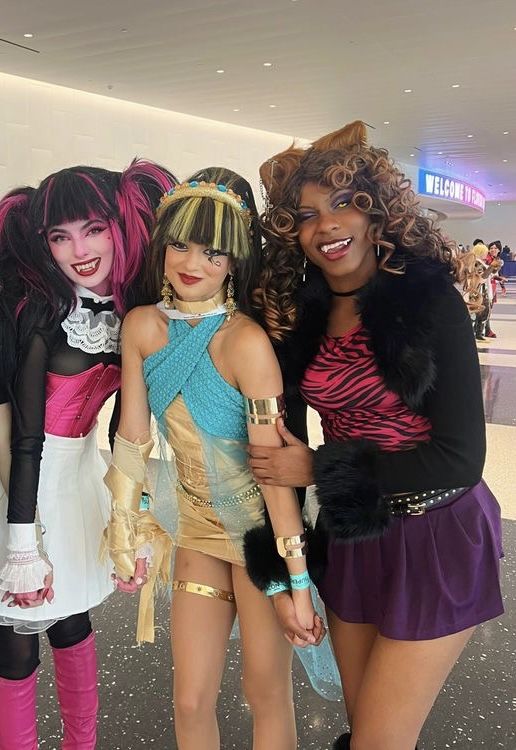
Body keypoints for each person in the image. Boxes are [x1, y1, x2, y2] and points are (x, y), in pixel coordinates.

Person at [249, 121, 504, 750]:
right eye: (307, 215)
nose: (327, 226)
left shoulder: (427, 299)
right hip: (354, 538)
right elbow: (278, 444)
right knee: (363, 730)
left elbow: (462, 457)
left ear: (375, 213)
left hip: (436, 530)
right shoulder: (300, 313)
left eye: (343, 205)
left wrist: (320, 470)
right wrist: (290, 569)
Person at [103, 167, 325, 750]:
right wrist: (123, 525)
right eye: (179, 243)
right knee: (189, 697)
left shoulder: (246, 341)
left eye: (212, 250)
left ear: (234, 261)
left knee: (265, 692)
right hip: (197, 528)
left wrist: (297, 581)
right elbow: (133, 433)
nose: (191, 261)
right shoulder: (142, 326)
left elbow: (274, 473)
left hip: (259, 536)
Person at [0, 160, 175, 750]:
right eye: (59, 235)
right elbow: (25, 439)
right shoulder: (41, 314)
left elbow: (133, 430)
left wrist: (136, 517)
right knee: (16, 634)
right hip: (19, 488)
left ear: (120, 224)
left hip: (77, 478)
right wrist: (22, 542)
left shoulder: (132, 313)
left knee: (74, 616)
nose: (78, 249)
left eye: (92, 228)